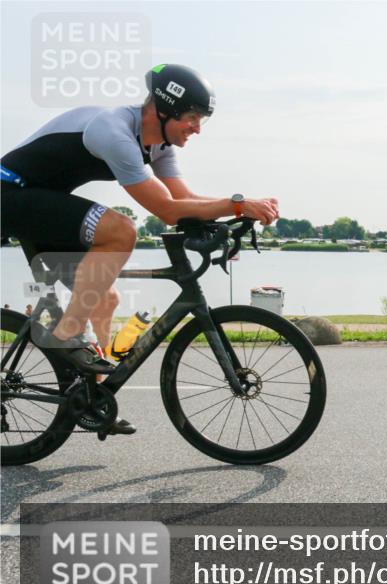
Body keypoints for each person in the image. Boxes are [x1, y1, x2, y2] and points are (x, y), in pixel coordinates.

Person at [1, 64, 279, 434]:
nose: (197, 128)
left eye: (202, 120)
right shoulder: (113, 131)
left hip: (41, 199)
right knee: (121, 230)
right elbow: (164, 210)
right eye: (193, 117)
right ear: (163, 110)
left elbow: (183, 199)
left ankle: (86, 399)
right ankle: (66, 333)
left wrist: (231, 216)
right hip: (11, 194)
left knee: (105, 298)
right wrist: (238, 204)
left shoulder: (158, 146)